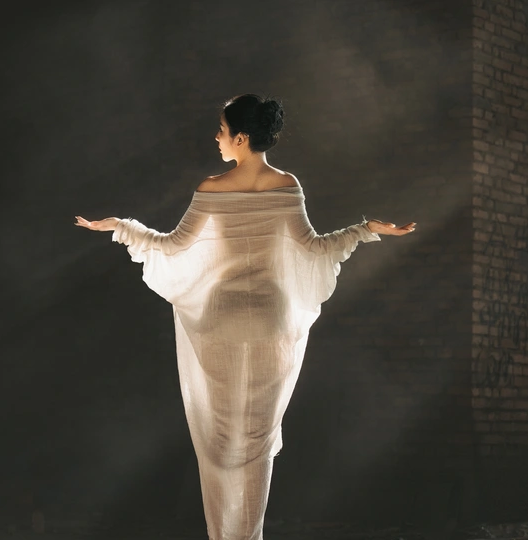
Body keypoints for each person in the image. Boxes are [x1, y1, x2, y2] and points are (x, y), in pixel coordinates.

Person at [74, 94, 415, 540]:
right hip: (270, 319)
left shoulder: (212, 188)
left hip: (222, 318)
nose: (216, 138)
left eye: (221, 130)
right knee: (256, 442)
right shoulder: (287, 184)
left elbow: (172, 246)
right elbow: (316, 248)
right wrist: (364, 229)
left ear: (241, 137)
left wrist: (122, 227)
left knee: (220, 440)